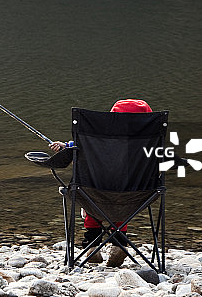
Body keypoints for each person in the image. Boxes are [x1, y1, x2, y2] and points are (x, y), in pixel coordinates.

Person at [49, 98, 153, 267]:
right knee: (122, 202)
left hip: (95, 192)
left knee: (92, 199)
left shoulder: (99, 138)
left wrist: (65, 147)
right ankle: (119, 244)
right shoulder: (151, 142)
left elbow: (77, 149)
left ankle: (92, 245)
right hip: (136, 194)